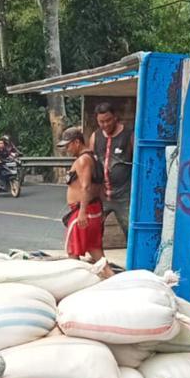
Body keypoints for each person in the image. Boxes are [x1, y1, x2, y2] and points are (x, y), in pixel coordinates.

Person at [58, 127, 112, 275]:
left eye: (68, 145)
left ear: (76, 142)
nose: (67, 149)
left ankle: (74, 283)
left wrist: (82, 212)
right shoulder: (92, 157)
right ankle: (112, 278)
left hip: (83, 212)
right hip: (93, 210)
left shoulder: (83, 160)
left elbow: (86, 186)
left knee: (72, 253)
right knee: (95, 251)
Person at [89, 102, 133, 237]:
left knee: (129, 230)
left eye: (108, 120)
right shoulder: (95, 136)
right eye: (101, 122)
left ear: (115, 117)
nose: (105, 125)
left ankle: (131, 257)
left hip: (124, 195)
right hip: (102, 195)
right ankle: (96, 257)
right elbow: (90, 163)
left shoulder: (129, 135)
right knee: (93, 229)